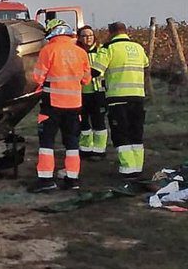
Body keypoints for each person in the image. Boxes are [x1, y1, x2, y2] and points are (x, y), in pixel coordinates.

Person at [30, 19, 92, 192]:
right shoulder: (80, 53)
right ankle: (72, 179)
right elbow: (86, 80)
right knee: (72, 144)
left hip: (52, 104)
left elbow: (38, 78)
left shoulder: (48, 50)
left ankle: (46, 180)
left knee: (47, 143)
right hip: (74, 105)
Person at [93, 21, 151, 180]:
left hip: (118, 98)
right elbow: (146, 64)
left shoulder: (108, 48)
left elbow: (96, 71)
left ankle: (127, 169)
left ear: (111, 33)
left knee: (121, 133)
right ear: (125, 31)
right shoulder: (138, 47)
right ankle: (138, 168)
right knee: (136, 133)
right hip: (138, 97)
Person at [76, 26, 108, 160]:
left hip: (98, 92)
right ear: (79, 37)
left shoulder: (101, 51)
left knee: (98, 122)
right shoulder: (76, 52)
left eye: (90, 35)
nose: (87, 38)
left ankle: (99, 150)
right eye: (84, 35)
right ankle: (85, 149)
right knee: (83, 123)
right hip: (81, 92)